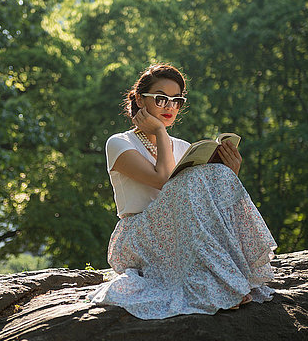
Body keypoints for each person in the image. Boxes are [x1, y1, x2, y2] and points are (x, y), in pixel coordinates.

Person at [87, 63, 277, 320]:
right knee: (187, 182)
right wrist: (159, 132)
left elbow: (205, 204)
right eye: (161, 99)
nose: (169, 107)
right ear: (141, 100)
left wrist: (229, 173)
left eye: (176, 101)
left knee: (217, 174)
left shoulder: (183, 146)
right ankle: (222, 287)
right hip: (137, 236)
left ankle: (227, 280)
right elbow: (163, 180)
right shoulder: (119, 143)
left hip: (182, 232)